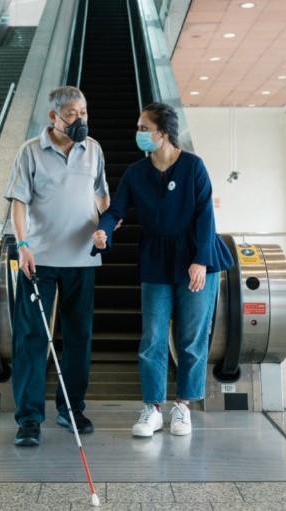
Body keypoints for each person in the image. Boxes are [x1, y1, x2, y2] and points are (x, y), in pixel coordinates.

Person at [92, 102, 233, 437]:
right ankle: (152, 408)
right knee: (152, 335)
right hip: (156, 257)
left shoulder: (193, 167)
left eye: (144, 128)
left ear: (163, 132)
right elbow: (116, 209)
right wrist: (104, 230)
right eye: (139, 128)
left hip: (197, 257)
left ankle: (183, 406)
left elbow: (205, 216)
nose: (139, 134)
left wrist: (199, 260)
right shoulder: (136, 172)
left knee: (191, 336)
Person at [4, 86, 110, 446]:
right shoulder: (30, 152)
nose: (80, 120)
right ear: (53, 117)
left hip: (82, 260)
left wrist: (103, 226)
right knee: (32, 339)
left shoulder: (93, 150)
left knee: (78, 337)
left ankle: (70, 408)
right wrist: (22, 245)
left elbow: (102, 195)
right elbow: (19, 201)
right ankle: (29, 419)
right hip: (40, 261)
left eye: (84, 113)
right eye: (72, 114)